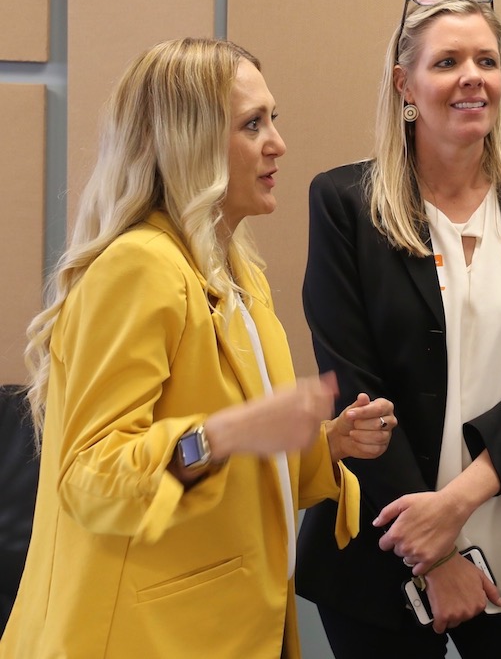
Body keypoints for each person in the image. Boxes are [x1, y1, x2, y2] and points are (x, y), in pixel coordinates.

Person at [0, 38, 396, 659]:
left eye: (273, 120)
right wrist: (226, 432)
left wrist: (325, 443)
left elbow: (239, 467)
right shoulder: (138, 268)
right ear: (192, 142)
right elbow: (93, 475)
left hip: (231, 629)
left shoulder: (238, 273)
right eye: (252, 124)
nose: (277, 144)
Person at [295, 0, 501, 658]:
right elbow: (355, 387)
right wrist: (433, 554)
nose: (473, 76)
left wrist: (455, 505)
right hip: (381, 549)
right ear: (404, 84)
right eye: (447, 62)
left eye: (487, 60)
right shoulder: (344, 205)